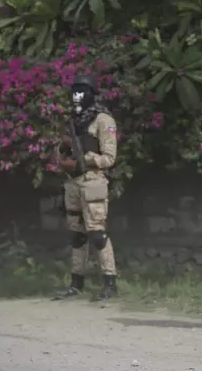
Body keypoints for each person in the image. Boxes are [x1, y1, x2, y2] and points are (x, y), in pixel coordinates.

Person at [52, 74, 119, 302]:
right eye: (75, 90)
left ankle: (110, 282)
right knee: (77, 236)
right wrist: (62, 157)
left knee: (97, 234)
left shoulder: (103, 120)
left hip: (93, 182)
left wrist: (84, 156)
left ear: (91, 93)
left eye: (82, 90)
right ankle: (76, 283)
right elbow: (62, 150)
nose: (77, 95)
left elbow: (109, 158)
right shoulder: (73, 120)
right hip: (72, 183)